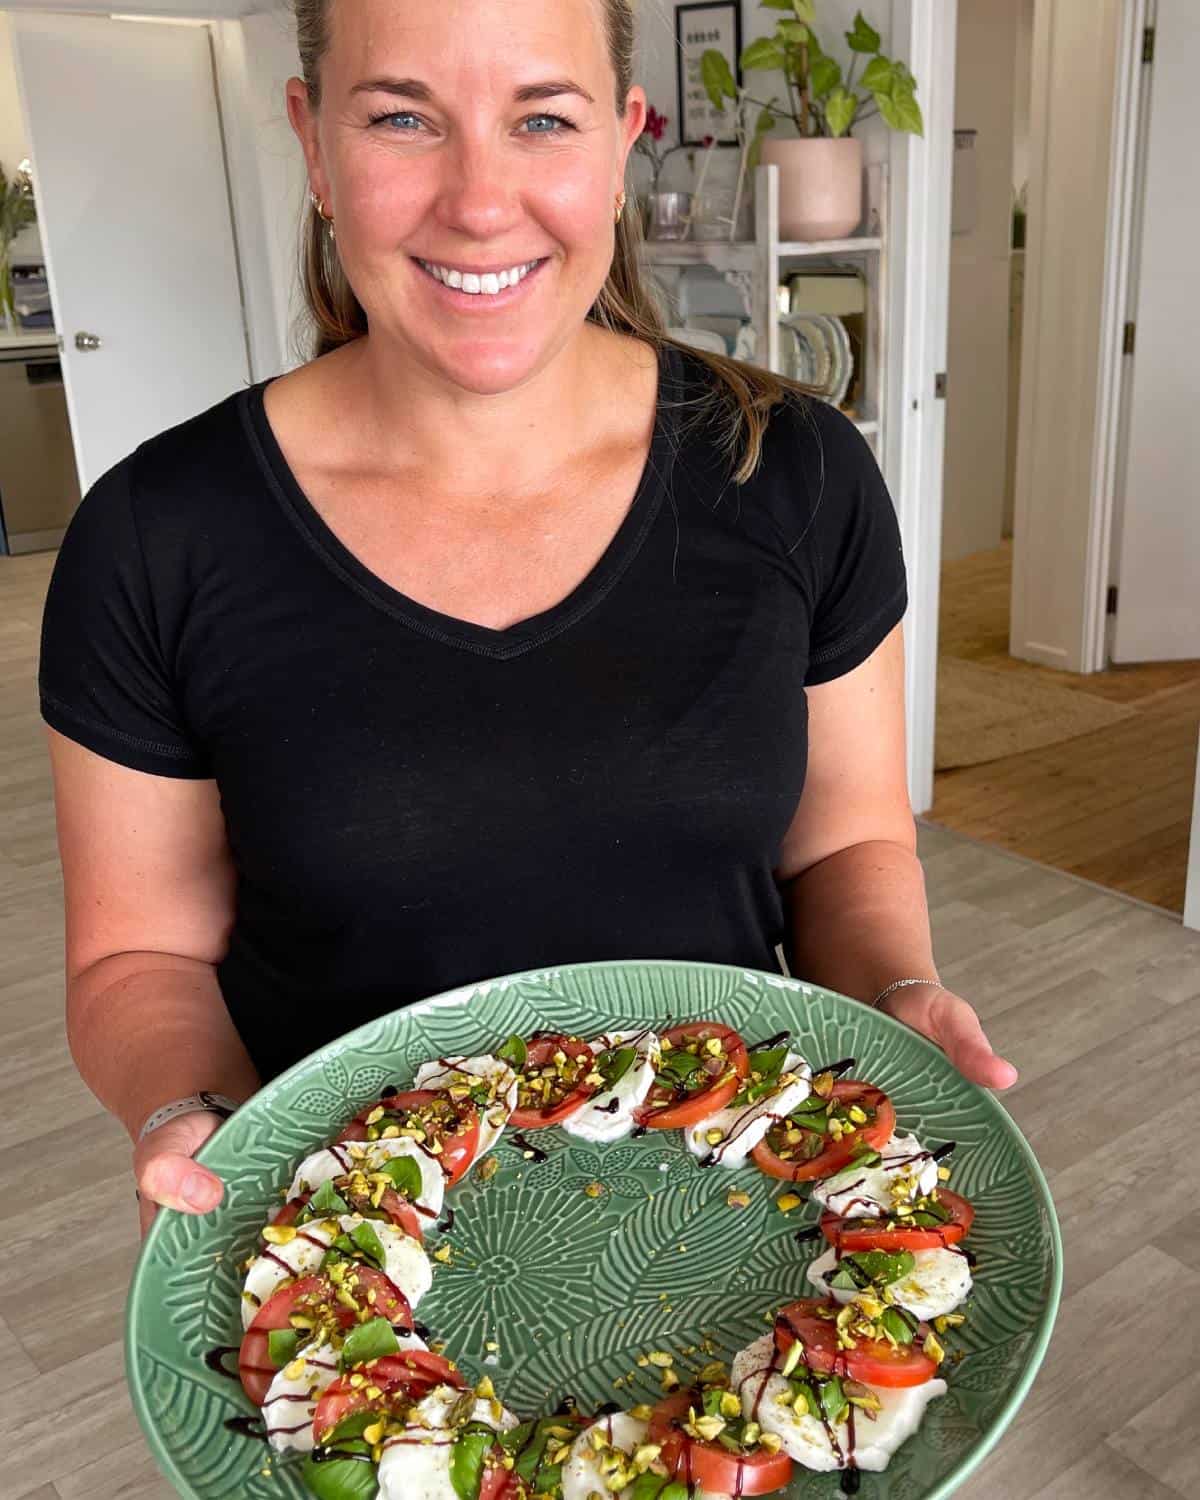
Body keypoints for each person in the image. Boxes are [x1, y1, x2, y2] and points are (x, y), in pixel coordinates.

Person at [39, 0, 1017, 1237]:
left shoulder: (796, 471)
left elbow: (845, 847)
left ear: (622, 143)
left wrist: (896, 991)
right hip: (348, 1248)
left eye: (543, 120)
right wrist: (197, 1118)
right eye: (403, 119)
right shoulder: (155, 536)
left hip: (734, 1225)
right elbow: (139, 957)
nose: (480, 202)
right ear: (314, 145)